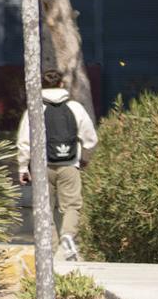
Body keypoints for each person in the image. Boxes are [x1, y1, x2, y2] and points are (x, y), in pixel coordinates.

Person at [17, 69, 99, 261]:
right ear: (62, 84)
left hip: (41, 166)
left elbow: (24, 142)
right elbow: (90, 138)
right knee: (72, 205)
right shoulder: (75, 107)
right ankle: (68, 236)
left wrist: (22, 167)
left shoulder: (35, 109)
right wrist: (84, 157)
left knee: (45, 208)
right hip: (69, 163)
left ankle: (51, 251)